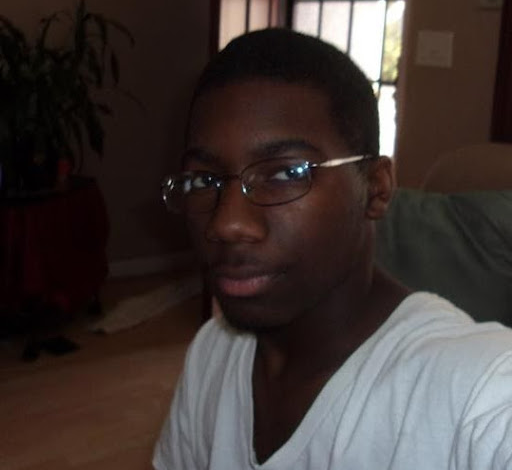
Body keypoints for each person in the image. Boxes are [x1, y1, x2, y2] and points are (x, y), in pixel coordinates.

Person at [153, 28, 512, 469]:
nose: (226, 224)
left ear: (376, 188)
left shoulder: (480, 389)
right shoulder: (214, 350)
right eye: (203, 180)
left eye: (285, 173)